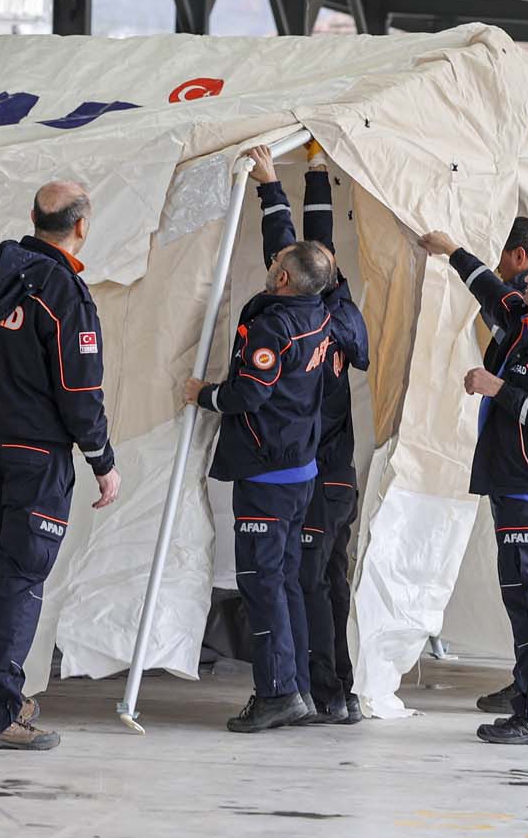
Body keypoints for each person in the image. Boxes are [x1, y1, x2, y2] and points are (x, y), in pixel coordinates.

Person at [0, 181, 121, 751]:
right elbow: (79, 387)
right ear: (81, 226)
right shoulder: (64, 291)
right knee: (19, 582)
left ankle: (1, 698)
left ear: (33, 218)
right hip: (36, 458)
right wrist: (103, 461)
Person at [422, 221, 528, 718]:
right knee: (526, 597)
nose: (526, 280)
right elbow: (496, 292)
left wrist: (497, 388)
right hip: (516, 480)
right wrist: (453, 251)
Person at [183, 236, 338, 733]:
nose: (270, 262)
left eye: (275, 261)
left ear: (284, 278)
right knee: (286, 581)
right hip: (300, 469)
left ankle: (276, 694)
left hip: (268, 472)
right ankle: (299, 690)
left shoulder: (275, 325)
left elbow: (248, 393)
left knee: (263, 584)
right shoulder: (319, 314)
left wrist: (204, 395)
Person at [248, 144, 371, 725]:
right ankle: (336, 691)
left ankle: (326, 693)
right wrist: (314, 171)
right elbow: (315, 250)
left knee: (310, 583)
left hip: (316, 473)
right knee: (325, 579)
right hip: (337, 474)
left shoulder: (299, 318)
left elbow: (295, 250)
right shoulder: (339, 311)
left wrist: (271, 183)